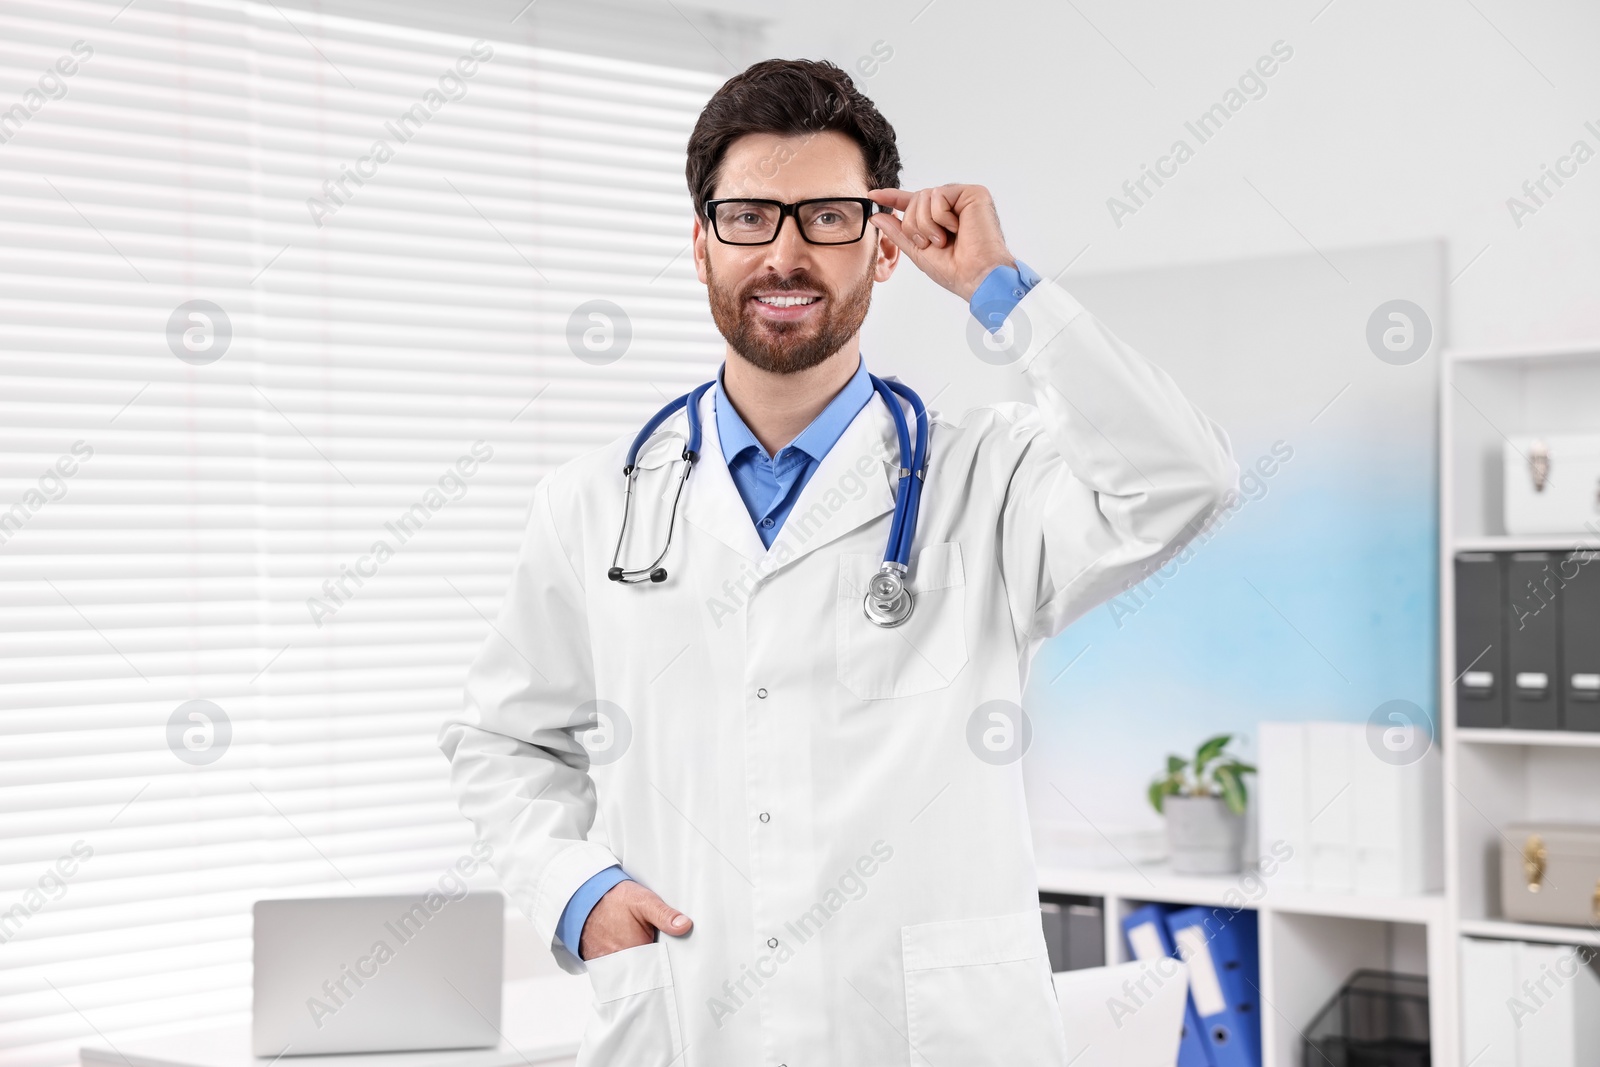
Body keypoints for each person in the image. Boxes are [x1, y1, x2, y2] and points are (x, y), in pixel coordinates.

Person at [438, 56, 1238, 1066]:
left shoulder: (985, 481)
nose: (783, 254)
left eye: (823, 217)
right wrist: (577, 892)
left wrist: (1003, 292)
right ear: (700, 245)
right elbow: (504, 739)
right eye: (748, 218)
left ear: (884, 246)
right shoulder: (593, 503)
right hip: (690, 1018)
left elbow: (1184, 479)